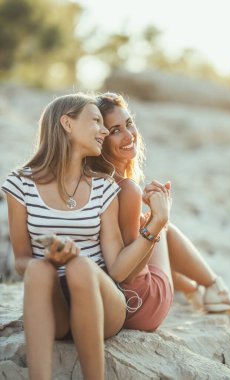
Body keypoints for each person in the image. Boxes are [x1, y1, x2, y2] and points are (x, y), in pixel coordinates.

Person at [1, 93, 171, 380]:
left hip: (103, 300)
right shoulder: (20, 184)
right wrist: (52, 259)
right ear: (67, 124)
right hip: (54, 300)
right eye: (96, 121)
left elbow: (117, 268)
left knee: (81, 266)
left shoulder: (105, 188)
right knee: (40, 269)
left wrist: (159, 222)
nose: (103, 130)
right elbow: (21, 259)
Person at [93, 92, 230, 324]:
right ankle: (214, 288)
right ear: (99, 139)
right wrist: (156, 221)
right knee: (162, 231)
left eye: (129, 124)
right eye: (115, 130)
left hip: (118, 300)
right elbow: (129, 271)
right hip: (143, 304)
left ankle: (196, 289)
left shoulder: (93, 182)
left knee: (151, 228)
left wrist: (148, 221)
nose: (129, 135)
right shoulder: (126, 189)